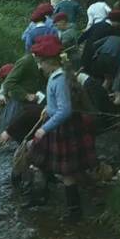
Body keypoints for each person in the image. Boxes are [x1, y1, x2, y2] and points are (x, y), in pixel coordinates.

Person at [26, 34, 97, 220]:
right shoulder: (59, 75)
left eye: (41, 62)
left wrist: (44, 128)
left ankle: (74, 211)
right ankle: (42, 197)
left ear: (50, 61)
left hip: (62, 128)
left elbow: (64, 110)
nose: (39, 66)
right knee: (41, 161)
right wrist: (47, 110)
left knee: (67, 172)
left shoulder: (58, 79)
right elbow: (56, 105)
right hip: (58, 125)